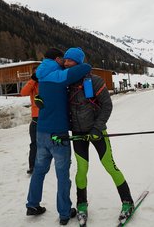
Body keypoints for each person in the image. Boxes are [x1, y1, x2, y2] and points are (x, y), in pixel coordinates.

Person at [63, 47, 134, 225]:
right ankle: (82, 205)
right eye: (64, 60)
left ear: (78, 62)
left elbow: (107, 106)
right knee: (81, 170)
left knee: (109, 166)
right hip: (78, 134)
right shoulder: (65, 83)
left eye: (69, 60)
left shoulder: (93, 81)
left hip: (97, 132)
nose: (65, 63)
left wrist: (97, 128)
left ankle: (127, 202)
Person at [25, 47, 92, 225]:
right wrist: (74, 65)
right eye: (63, 59)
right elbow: (85, 68)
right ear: (57, 59)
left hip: (42, 132)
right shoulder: (58, 76)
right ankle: (64, 212)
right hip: (58, 134)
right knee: (62, 174)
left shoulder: (41, 75)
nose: (65, 62)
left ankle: (32, 204)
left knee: (39, 170)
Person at [20, 66, 39, 174]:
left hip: (48, 117)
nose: (38, 74)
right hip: (36, 118)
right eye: (35, 73)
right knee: (34, 143)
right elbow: (23, 92)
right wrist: (33, 80)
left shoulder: (47, 82)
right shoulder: (33, 83)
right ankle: (32, 166)